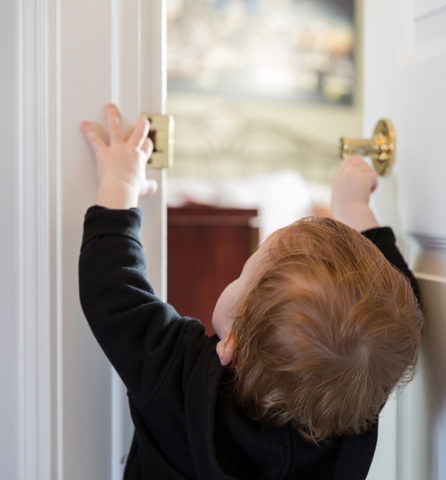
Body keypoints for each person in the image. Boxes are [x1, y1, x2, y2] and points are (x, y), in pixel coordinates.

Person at [79, 104, 423, 480]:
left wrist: (119, 183)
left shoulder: (179, 376)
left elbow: (113, 289)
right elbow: (401, 310)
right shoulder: (356, 395)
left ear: (232, 344)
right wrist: (354, 207)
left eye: (244, 271)